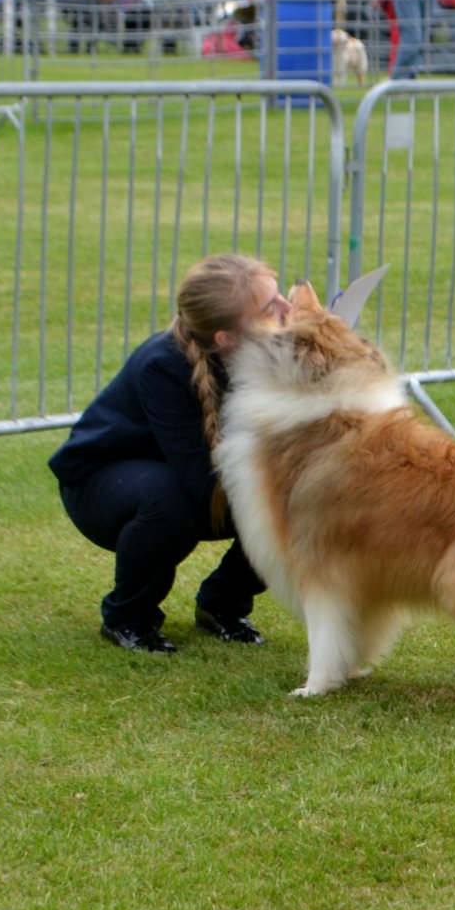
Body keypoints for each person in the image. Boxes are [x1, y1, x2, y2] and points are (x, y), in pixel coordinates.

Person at [49, 254, 293, 652]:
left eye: (280, 297)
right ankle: (127, 616)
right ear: (225, 339)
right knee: (175, 502)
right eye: (271, 307)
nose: (287, 309)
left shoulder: (268, 350)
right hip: (102, 485)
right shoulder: (161, 366)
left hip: (184, 477)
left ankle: (222, 605)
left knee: (302, 496)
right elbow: (202, 483)